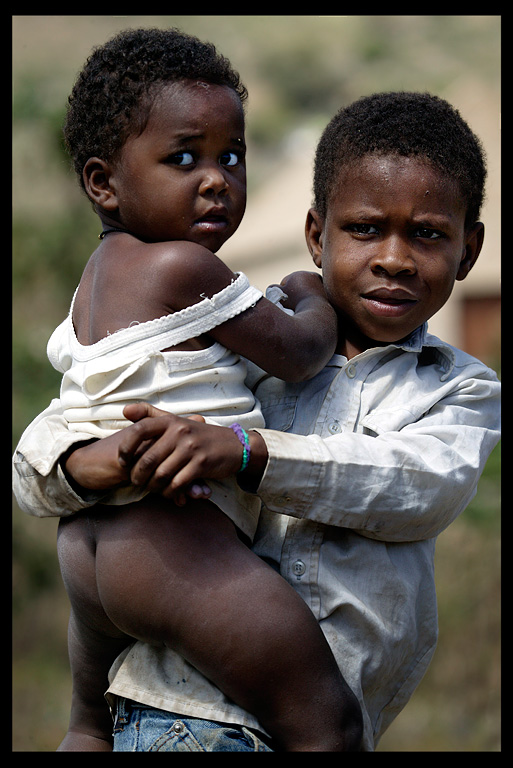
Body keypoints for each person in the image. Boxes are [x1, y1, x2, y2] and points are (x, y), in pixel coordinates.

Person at [13, 90, 501, 752]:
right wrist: (88, 459)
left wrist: (247, 452)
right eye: (363, 228)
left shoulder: (458, 389)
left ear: (467, 251)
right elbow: (53, 439)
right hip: (184, 714)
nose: (393, 257)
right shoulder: (240, 339)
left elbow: (416, 486)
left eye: (427, 234)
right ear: (314, 235)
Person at [13, 27, 364, 752]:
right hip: (171, 545)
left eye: (230, 156)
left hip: (88, 554)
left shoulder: (94, 283)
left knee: (87, 726)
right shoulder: (183, 269)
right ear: (103, 182)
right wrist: (311, 291)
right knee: (325, 720)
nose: (216, 179)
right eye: (183, 158)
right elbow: (300, 353)